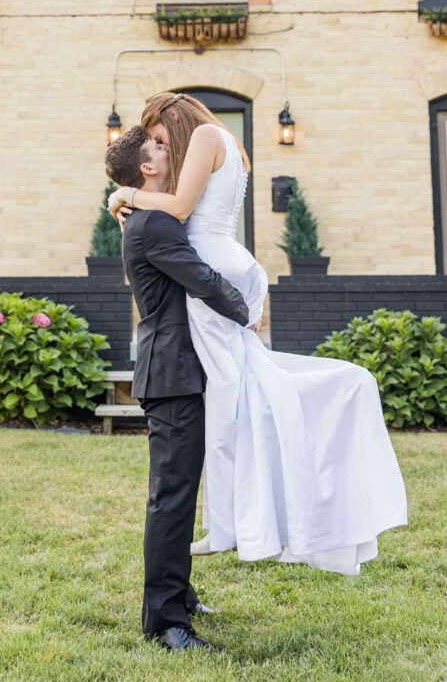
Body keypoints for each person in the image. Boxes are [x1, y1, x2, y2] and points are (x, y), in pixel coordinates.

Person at [108, 93, 408, 575]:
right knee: (240, 398)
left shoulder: (204, 138)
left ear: (175, 119)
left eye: (161, 137)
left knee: (232, 404)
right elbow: (177, 214)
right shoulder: (206, 156)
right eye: (156, 146)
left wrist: (124, 195)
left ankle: (233, 523)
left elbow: (182, 211)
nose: (162, 148)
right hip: (218, 272)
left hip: (215, 265)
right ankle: (232, 523)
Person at [104, 124, 250, 651]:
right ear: (147, 168)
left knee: (181, 493)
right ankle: (166, 622)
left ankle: (180, 594)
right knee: (170, 497)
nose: (171, 149)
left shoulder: (147, 217)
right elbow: (202, 280)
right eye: (160, 147)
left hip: (180, 368)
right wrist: (246, 311)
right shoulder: (154, 226)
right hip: (170, 372)